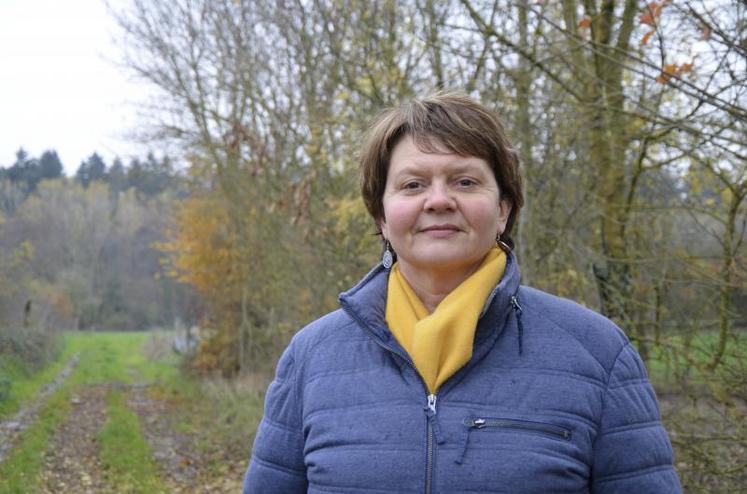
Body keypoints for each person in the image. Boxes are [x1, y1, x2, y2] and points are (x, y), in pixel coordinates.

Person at [243, 93, 682, 493]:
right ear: (381, 214)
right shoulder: (312, 358)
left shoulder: (598, 355)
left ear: (503, 209)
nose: (438, 200)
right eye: (413, 184)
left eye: (465, 182)